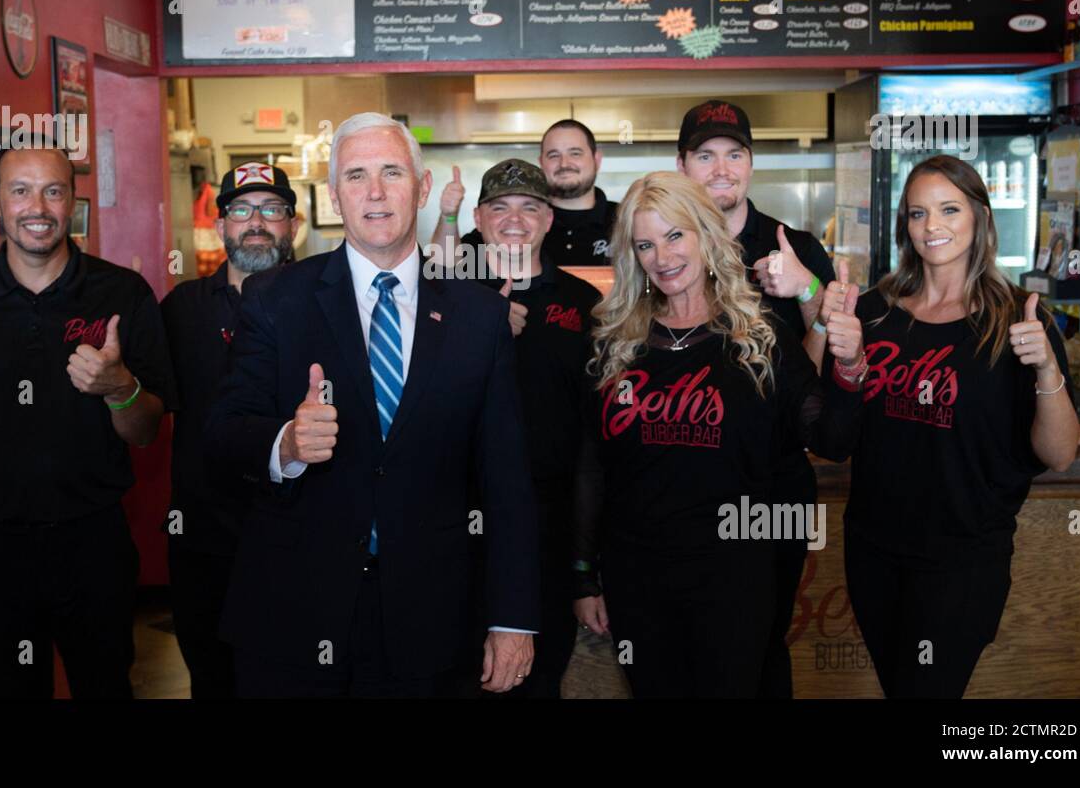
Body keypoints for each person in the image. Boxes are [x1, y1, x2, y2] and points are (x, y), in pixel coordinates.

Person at [208, 112, 540, 697]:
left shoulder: (478, 317)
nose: (377, 192)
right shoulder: (274, 299)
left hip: (431, 623)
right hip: (294, 615)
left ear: (423, 186)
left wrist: (511, 617)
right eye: (357, 176)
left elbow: (506, 479)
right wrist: (285, 443)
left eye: (392, 172)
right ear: (335, 195)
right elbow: (225, 432)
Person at [0, 145, 177, 699]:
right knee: (11, 690)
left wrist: (120, 387)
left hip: (94, 539)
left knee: (106, 688)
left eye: (52, 190)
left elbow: (145, 434)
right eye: (19, 190)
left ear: (72, 200)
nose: (36, 206)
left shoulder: (121, 294)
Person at [572, 172, 866, 698]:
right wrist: (584, 574)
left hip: (733, 574)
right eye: (645, 243)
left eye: (675, 235)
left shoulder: (760, 334)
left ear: (706, 235)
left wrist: (848, 364)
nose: (662, 256)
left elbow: (832, 439)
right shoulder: (616, 341)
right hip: (637, 575)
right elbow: (594, 465)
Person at [815, 154, 1078, 698]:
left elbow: (1060, 455)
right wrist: (835, 348)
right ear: (904, 226)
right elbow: (832, 440)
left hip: (964, 559)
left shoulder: (1019, 318)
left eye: (949, 209)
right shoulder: (872, 312)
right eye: (917, 213)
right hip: (875, 551)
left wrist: (1047, 367)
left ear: (980, 217)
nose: (932, 226)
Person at [675, 99, 835, 697]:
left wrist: (808, 290)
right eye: (706, 155)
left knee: (764, 643)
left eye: (734, 154)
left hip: (772, 483)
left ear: (751, 162)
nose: (721, 168)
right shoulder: (666, 243)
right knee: (686, 646)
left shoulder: (795, 244)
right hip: (683, 477)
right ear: (683, 163)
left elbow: (837, 363)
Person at [160, 162, 301, 699]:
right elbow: (148, 409)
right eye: (241, 210)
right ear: (221, 226)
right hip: (204, 539)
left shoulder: (323, 302)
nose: (256, 222)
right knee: (213, 681)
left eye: (272, 210)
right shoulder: (180, 310)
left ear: (293, 224)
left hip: (298, 534)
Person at [463, 159, 601, 698]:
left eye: (529, 207)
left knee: (540, 678)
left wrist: (586, 565)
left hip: (550, 525)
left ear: (549, 219)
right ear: (478, 218)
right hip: (459, 522)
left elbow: (596, 438)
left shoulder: (583, 304)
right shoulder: (442, 298)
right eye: (500, 208)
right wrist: (482, 333)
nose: (514, 220)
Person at [431, 119, 618, 266]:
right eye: (553, 155)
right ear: (541, 162)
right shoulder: (519, 224)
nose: (564, 164)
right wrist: (449, 216)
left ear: (597, 159)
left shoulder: (624, 220)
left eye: (575, 153)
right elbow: (442, 268)